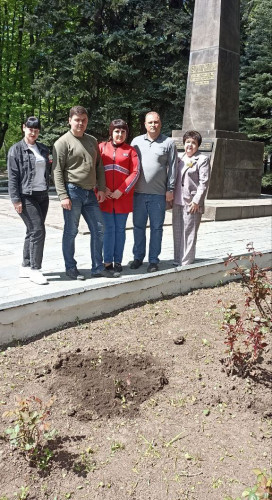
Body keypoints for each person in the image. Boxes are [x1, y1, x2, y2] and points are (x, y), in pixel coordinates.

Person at [52, 105, 119, 280]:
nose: (80, 123)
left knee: (99, 229)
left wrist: (102, 188)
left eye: (83, 120)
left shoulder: (92, 141)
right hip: (72, 192)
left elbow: (99, 167)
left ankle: (97, 267)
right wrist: (62, 195)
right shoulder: (62, 143)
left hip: (90, 193)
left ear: (87, 121)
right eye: (77, 120)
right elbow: (57, 171)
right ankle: (71, 267)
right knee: (71, 231)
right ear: (70, 121)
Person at [130, 111, 177, 272]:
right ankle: (138, 257)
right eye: (150, 122)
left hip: (158, 194)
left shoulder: (169, 143)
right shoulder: (136, 142)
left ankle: (153, 260)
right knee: (138, 227)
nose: (153, 125)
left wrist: (170, 189)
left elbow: (173, 168)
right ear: (145, 124)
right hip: (138, 194)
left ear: (160, 123)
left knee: (157, 228)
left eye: (156, 122)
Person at [8, 116, 51, 285]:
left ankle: (25, 266)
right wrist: (15, 200)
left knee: (32, 231)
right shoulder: (16, 149)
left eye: (36, 129)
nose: (33, 132)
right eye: (30, 128)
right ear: (24, 128)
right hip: (26, 196)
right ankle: (35, 269)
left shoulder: (43, 148)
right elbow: (13, 177)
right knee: (38, 231)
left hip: (43, 196)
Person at [99, 119, 139, 273]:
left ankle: (118, 261)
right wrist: (102, 189)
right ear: (111, 132)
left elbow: (136, 172)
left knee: (120, 230)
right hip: (105, 198)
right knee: (108, 229)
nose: (120, 134)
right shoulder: (101, 148)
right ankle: (107, 261)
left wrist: (121, 190)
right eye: (116, 131)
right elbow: (94, 170)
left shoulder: (131, 151)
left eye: (123, 132)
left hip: (122, 199)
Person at [172, 130, 210, 266]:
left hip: (192, 202)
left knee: (189, 233)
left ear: (198, 145)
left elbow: (203, 182)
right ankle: (177, 259)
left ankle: (186, 262)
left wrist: (197, 201)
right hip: (177, 201)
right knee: (177, 231)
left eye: (193, 143)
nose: (190, 145)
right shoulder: (179, 158)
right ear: (184, 143)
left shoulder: (202, 159)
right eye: (188, 142)